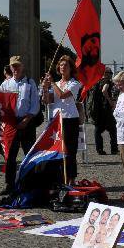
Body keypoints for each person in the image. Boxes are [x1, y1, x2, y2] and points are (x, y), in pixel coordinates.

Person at [0, 55, 41, 194]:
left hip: (27, 122)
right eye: (13, 66)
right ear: (10, 68)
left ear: (22, 66)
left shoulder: (30, 83)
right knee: (10, 156)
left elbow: (35, 104)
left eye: (18, 65)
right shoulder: (5, 84)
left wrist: (26, 120)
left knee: (29, 155)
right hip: (11, 123)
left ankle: (30, 183)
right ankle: (9, 184)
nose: (15, 68)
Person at [41, 55, 84, 183]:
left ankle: (71, 179)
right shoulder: (57, 84)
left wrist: (52, 83)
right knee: (57, 151)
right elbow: (48, 101)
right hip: (56, 120)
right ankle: (60, 179)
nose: (62, 67)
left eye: (65, 65)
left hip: (69, 119)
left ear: (71, 68)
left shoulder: (74, 83)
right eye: (61, 65)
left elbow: (63, 95)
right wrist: (44, 89)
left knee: (70, 151)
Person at [88, 67, 118, 156]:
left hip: (97, 110)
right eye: (110, 73)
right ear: (107, 73)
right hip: (106, 109)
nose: (111, 75)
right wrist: (110, 101)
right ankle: (114, 149)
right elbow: (104, 90)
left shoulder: (96, 82)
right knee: (113, 130)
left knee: (98, 130)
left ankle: (99, 149)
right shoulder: (106, 81)